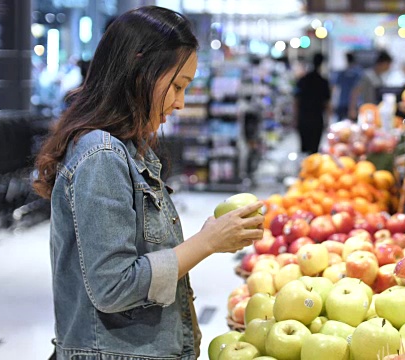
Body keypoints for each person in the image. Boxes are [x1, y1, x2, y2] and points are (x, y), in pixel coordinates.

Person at [33, 6, 264, 359]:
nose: (181, 103)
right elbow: (113, 286)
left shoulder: (127, 149)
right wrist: (206, 243)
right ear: (139, 70)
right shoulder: (102, 154)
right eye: (177, 86)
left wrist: (210, 238)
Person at [293, 53, 331, 154]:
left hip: (303, 117)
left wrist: (295, 118)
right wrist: (328, 120)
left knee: (304, 148)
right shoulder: (323, 82)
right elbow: (327, 103)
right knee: (314, 148)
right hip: (317, 118)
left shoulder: (302, 80)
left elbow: (296, 100)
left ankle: (305, 167)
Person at [348, 50, 393, 120]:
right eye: (388, 65)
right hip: (367, 110)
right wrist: (352, 109)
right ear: (382, 63)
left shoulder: (380, 77)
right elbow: (355, 91)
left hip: (377, 111)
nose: (389, 67)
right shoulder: (367, 75)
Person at [333, 52, 362, 121]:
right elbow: (356, 90)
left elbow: (335, 88)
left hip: (342, 103)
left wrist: (333, 103)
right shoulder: (357, 73)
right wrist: (352, 108)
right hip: (353, 105)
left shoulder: (342, 73)